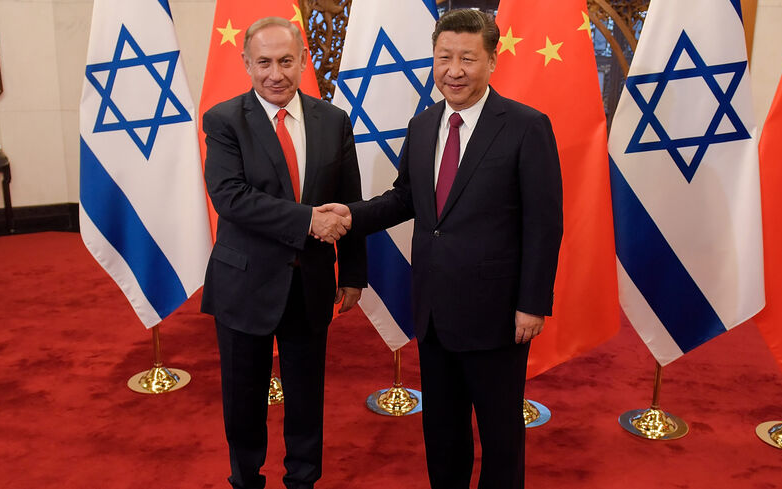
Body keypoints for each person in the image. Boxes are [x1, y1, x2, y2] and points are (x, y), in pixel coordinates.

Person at [318, 9, 562, 489]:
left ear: (492, 61)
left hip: (497, 314)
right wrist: (353, 216)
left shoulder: (526, 126)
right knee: (443, 432)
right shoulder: (424, 123)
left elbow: (544, 223)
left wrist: (532, 304)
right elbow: (407, 197)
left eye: (468, 58)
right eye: (444, 57)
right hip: (433, 308)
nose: (454, 70)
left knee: (501, 436)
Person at [200, 17, 366, 489]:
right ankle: (246, 478)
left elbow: (347, 200)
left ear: (303, 61)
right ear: (247, 64)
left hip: (309, 283)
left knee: (306, 396)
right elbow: (229, 196)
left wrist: (353, 272)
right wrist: (307, 220)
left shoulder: (332, 120)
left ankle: (303, 480)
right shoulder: (224, 119)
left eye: (286, 61)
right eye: (265, 62)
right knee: (243, 396)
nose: (276, 73)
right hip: (243, 283)